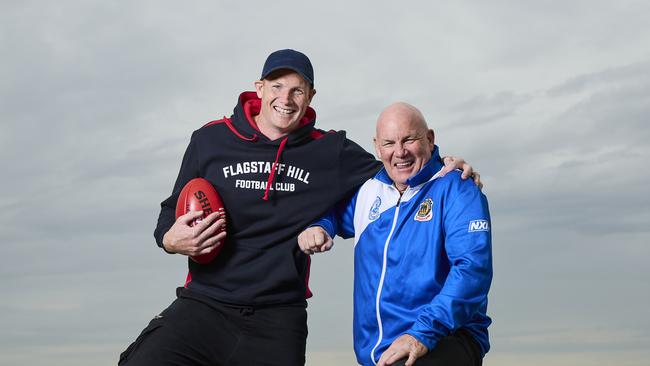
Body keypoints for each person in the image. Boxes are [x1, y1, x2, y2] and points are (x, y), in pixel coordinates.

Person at [119, 50, 480, 366]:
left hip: (277, 318)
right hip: (205, 304)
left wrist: (445, 166)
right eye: (276, 87)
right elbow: (170, 210)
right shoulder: (210, 139)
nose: (285, 98)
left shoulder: (331, 151)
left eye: (297, 90)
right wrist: (170, 238)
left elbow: (398, 167)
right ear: (259, 88)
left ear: (310, 96)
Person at [298, 102, 492, 366]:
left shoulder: (458, 189)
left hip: (443, 337)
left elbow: (472, 270)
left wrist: (421, 334)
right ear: (377, 147)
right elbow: (335, 214)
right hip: (379, 353)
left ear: (430, 138)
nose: (400, 152)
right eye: (389, 143)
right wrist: (320, 226)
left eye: (409, 139)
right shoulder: (369, 192)